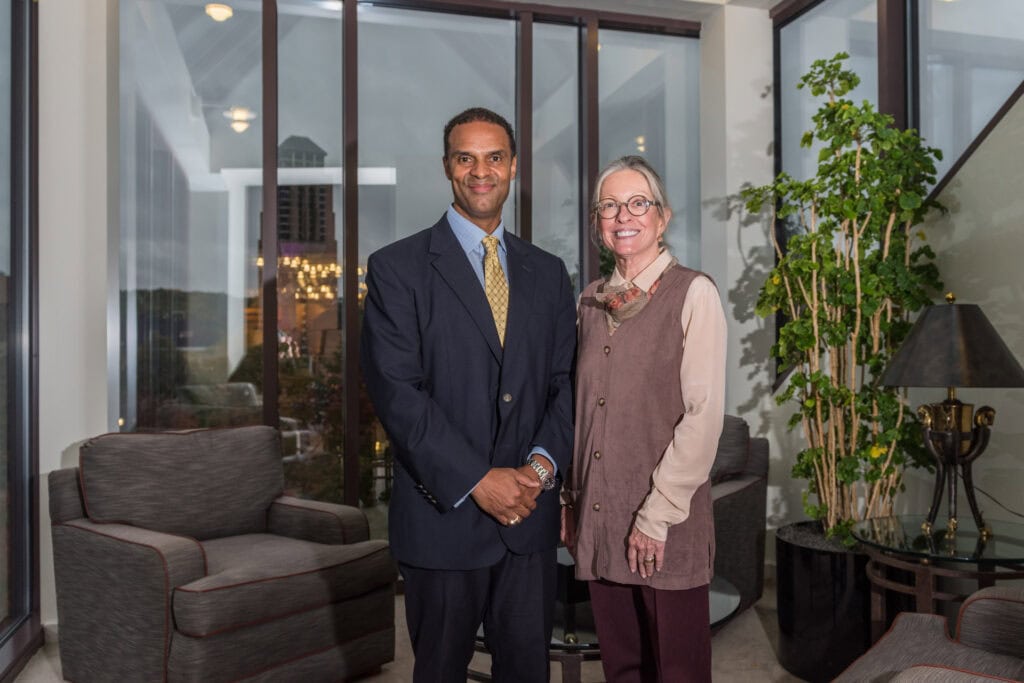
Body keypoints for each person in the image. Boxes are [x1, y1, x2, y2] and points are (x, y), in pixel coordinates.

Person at [360, 107, 576, 683]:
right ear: (448, 168)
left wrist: (538, 468)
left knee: (528, 672)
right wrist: (480, 480)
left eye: (494, 158)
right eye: (466, 158)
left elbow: (566, 382)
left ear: (512, 168)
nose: (482, 171)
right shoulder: (395, 268)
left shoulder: (549, 272)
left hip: (528, 521)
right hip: (443, 520)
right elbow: (398, 394)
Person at [561, 155, 727, 683]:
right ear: (597, 222)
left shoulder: (693, 292)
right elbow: (579, 409)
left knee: (678, 672)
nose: (622, 215)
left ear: (662, 216)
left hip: (666, 522)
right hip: (601, 516)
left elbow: (703, 417)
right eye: (609, 205)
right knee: (622, 669)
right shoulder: (589, 301)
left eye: (638, 203)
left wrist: (656, 517)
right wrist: (570, 499)